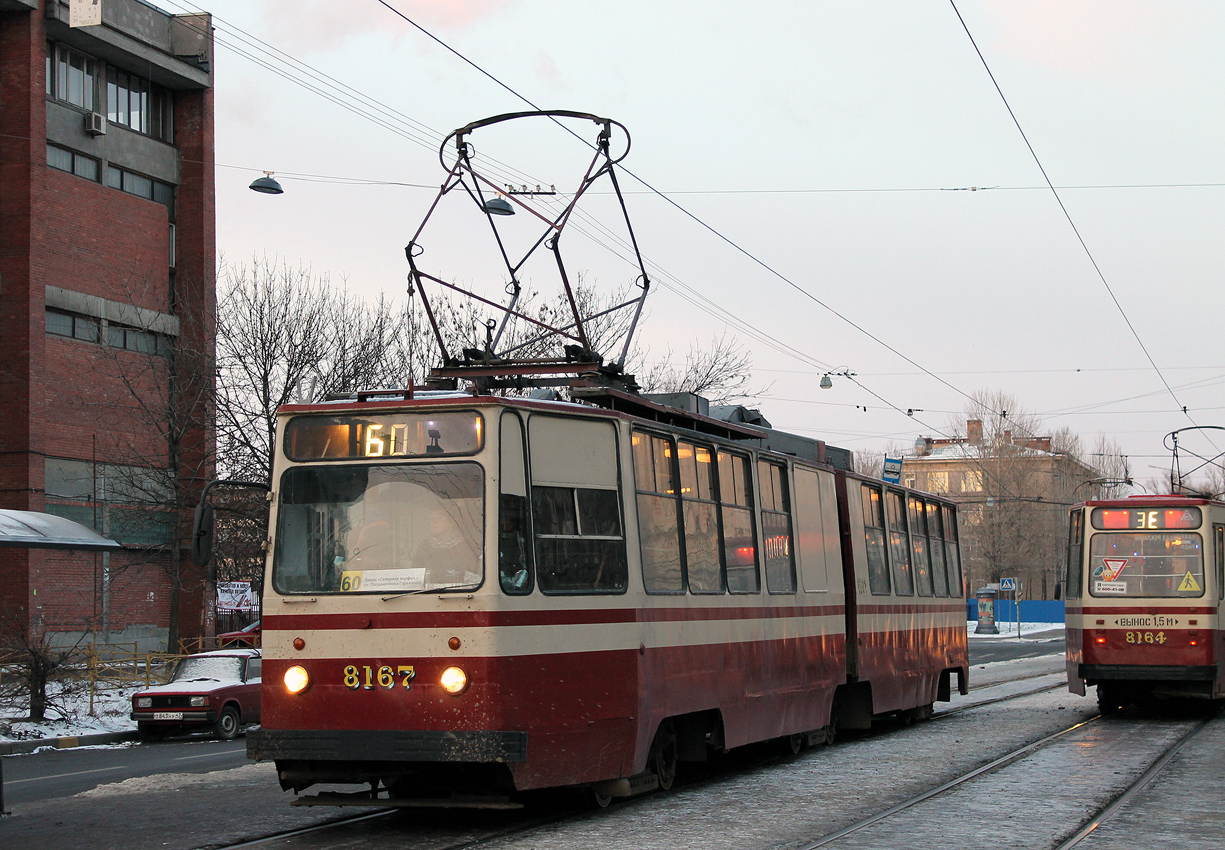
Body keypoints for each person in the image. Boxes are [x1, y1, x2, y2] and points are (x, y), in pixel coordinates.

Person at [414, 505, 480, 587]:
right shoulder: (425, 546)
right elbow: (416, 575)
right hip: (431, 592)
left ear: (452, 522)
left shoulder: (467, 545)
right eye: (431, 519)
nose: (434, 522)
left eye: (439, 518)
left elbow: (474, 575)